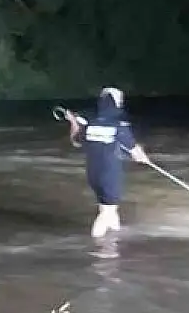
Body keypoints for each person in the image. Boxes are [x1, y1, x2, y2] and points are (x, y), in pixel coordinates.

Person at [65, 86, 151, 238]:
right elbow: (136, 152)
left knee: (108, 210)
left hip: (93, 175)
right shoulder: (119, 126)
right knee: (107, 213)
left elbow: (76, 141)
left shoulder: (90, 125)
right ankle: (97, 247)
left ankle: (114, 240)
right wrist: (144, 158)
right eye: (119, 100)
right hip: (109, 175)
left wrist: (73, 122)